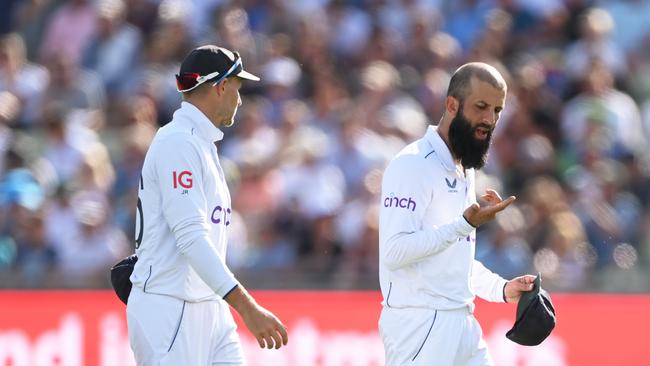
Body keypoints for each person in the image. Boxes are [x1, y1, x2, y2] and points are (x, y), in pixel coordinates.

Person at [126, 45, 288, 365]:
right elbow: (190, 237)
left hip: (208, 305)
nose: (240, 100)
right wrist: (247, 308)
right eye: (238, 89)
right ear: (221, 86)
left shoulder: (200, 143)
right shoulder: (178, 142)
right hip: (169, 308)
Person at [378, 62, 535, 366]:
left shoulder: (463, 167)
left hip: (462, 322)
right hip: (419, 328)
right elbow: (394, 252)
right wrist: (464, 224)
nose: (489, 119)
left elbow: (450, 261)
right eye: (481, 106)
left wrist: (500, 289)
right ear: (451, 104)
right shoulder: (412, 164)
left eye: (497, 110)